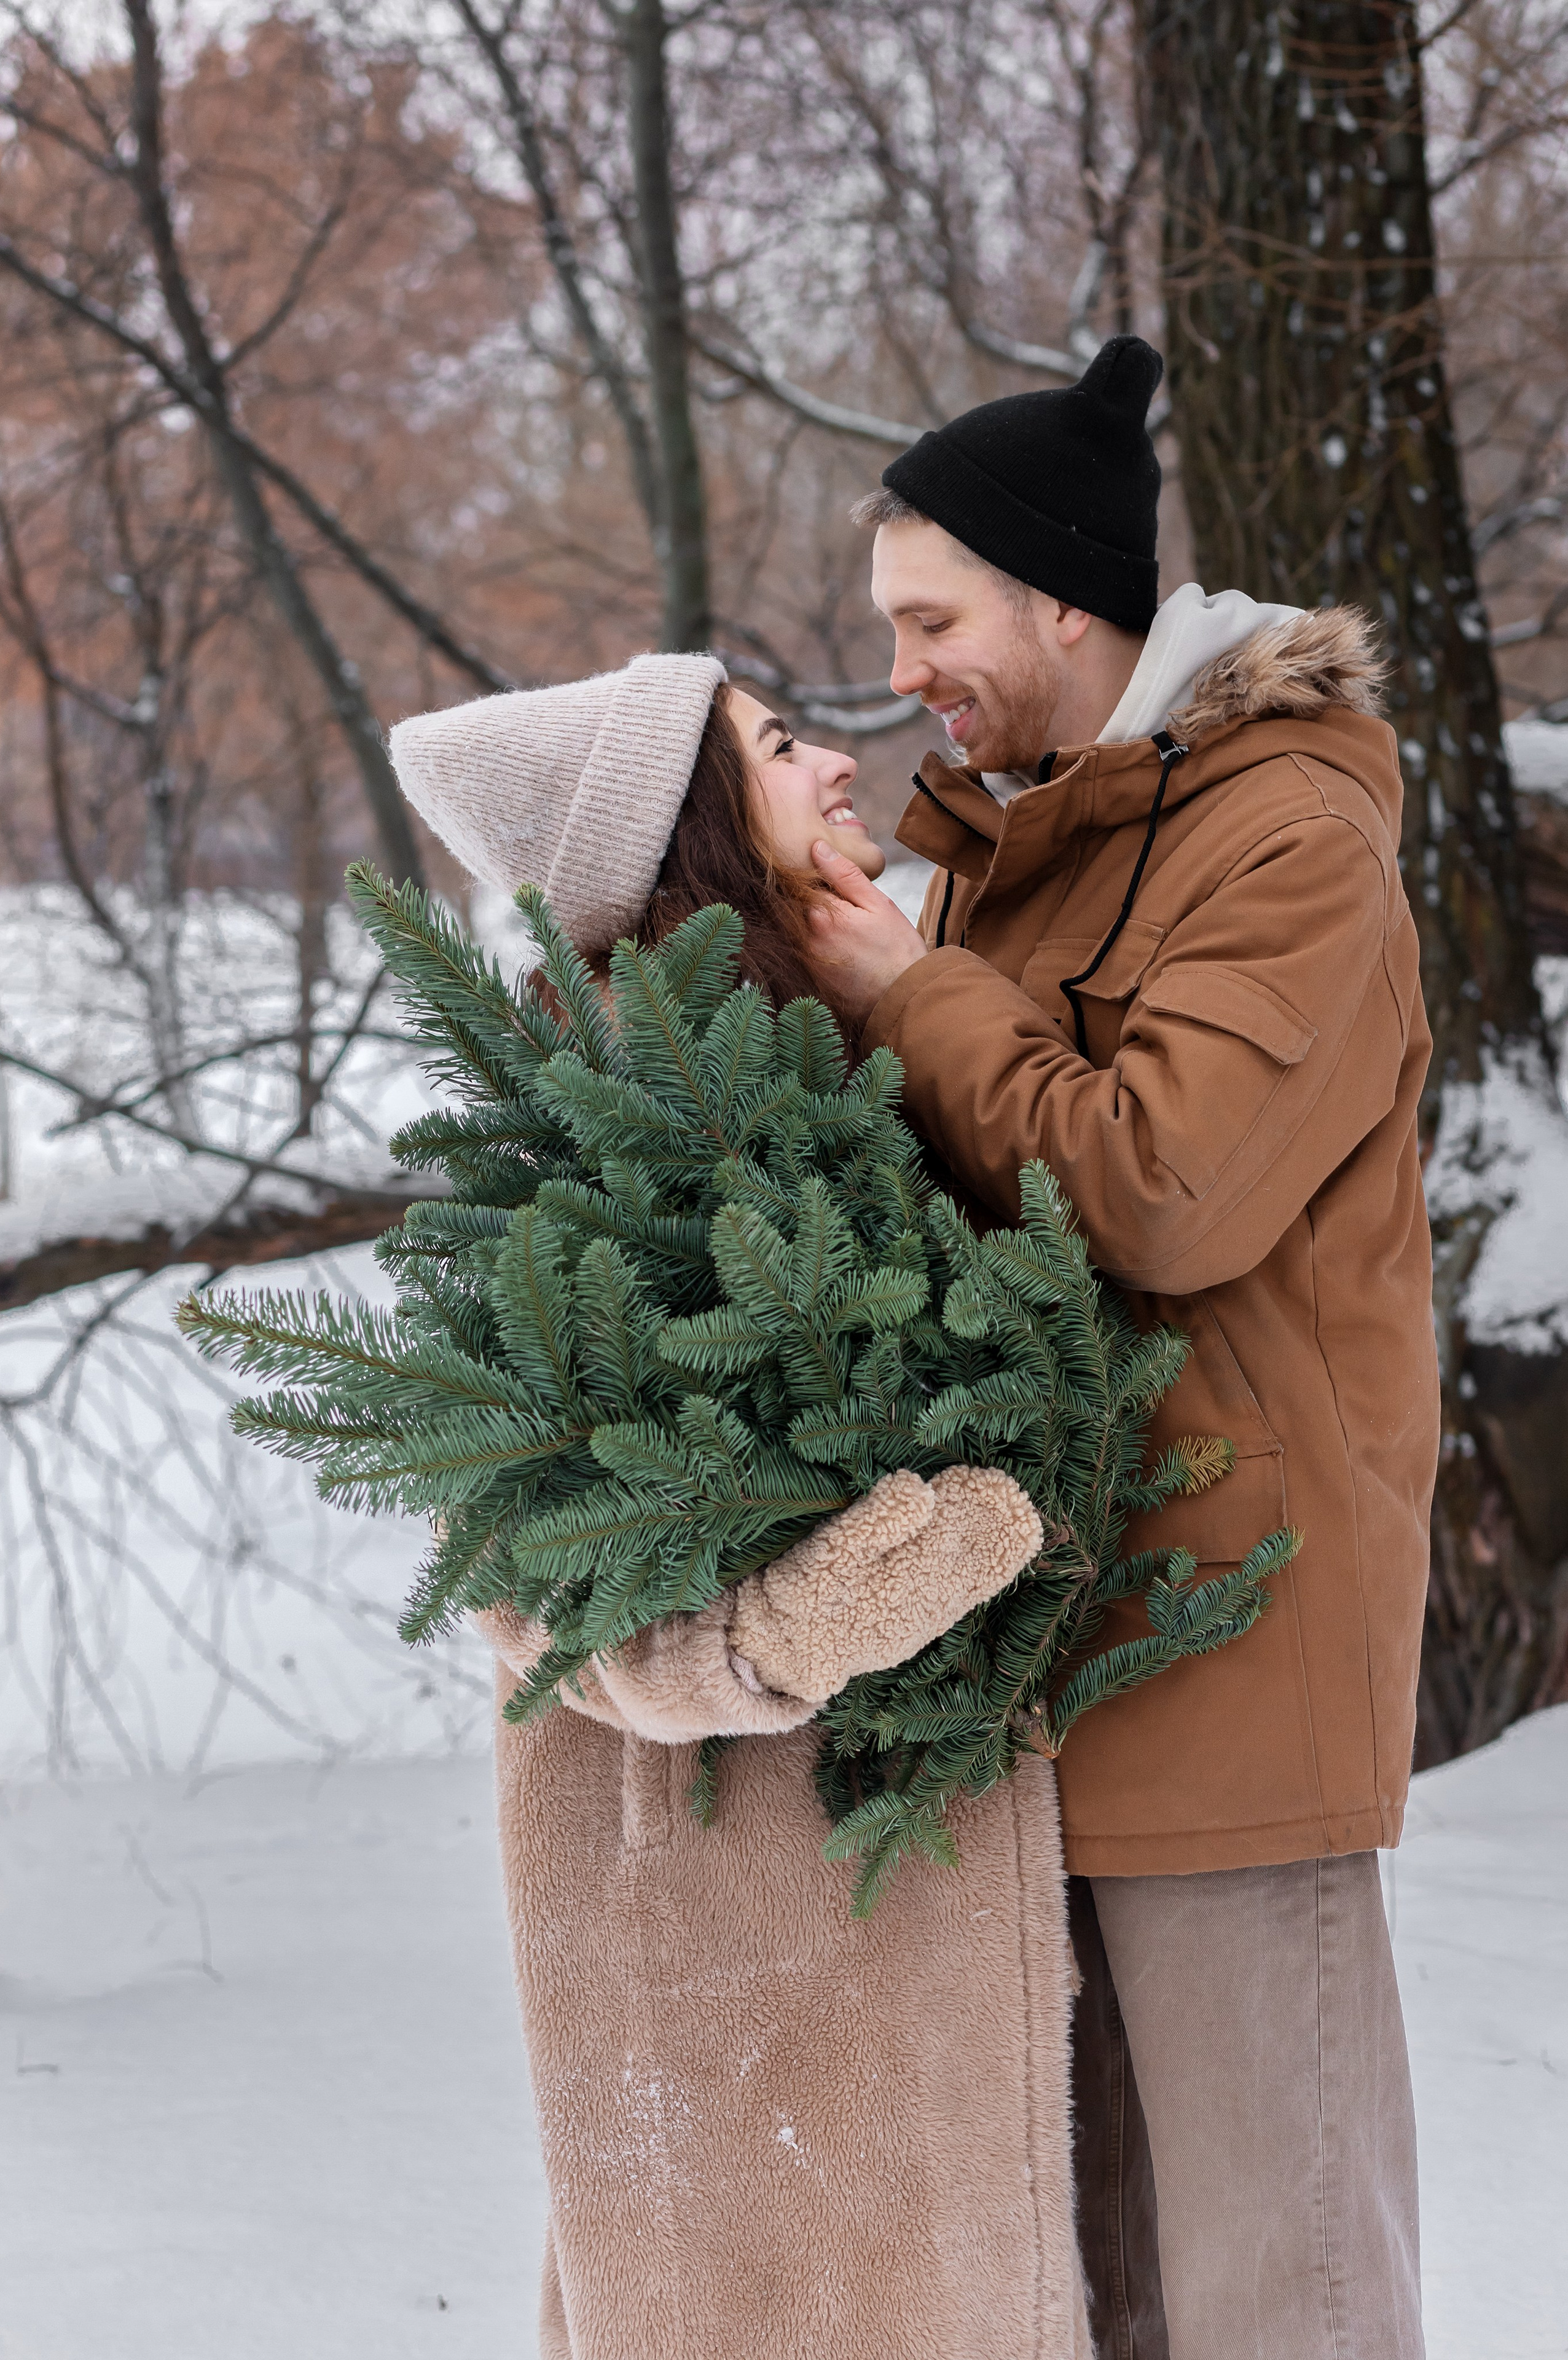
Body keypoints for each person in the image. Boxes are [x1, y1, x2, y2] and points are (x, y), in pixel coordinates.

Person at [805, 333, 1440, 2360]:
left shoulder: (1289, 846)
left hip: (1235, 1648)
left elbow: (1160, 1189)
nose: (903, 668)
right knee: (1103, 2296)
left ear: (1064, 600)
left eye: (933, 618)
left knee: (1289, 2287)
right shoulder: (1026, 846)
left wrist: (908, 992)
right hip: (1054, 1645)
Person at [387, 659, 1094, 2360]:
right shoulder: (590, 1135)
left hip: (906, 1914)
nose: (843, 765)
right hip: (734, 1946)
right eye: (780, 749)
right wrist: (826, 1608)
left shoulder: (844, 1067)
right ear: (684, 826)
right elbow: (545, 1591)